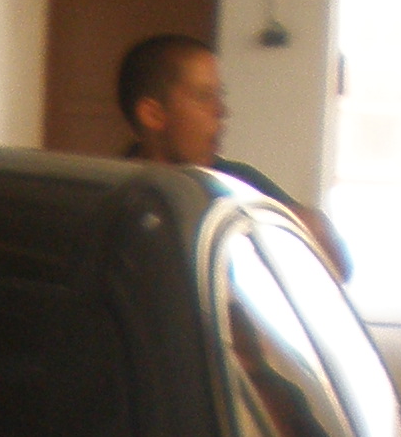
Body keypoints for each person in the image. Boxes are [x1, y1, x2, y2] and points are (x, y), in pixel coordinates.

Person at [116, 33, 350, 275]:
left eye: (220, 96)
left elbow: (338, 266)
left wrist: (300, 225)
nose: (221, 111)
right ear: (153, 115)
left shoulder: (236, 182)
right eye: (204, 97)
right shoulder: (111, 197)